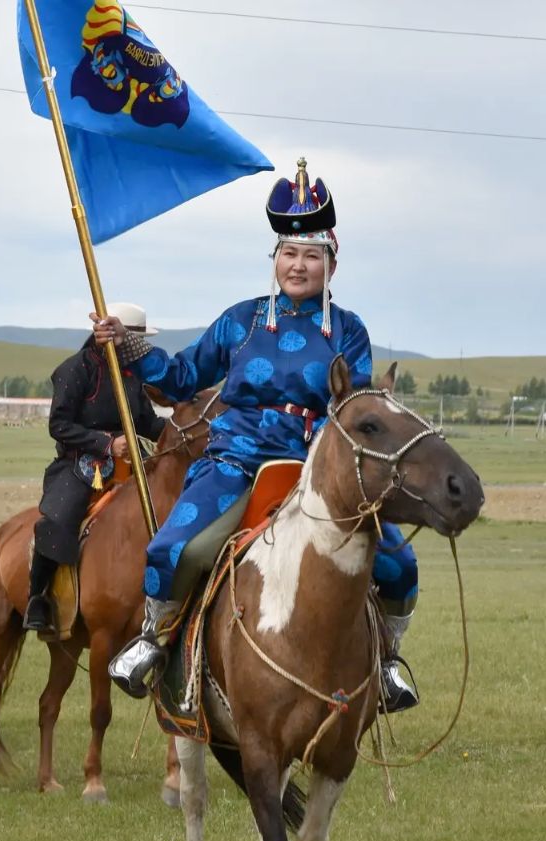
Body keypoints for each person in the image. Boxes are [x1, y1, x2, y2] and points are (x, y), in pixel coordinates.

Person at [99, 159, 422, 708]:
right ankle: (155, 642)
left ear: (331, 263)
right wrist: (129, 347)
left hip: (318, 470)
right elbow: (182, 378)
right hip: (235, 463)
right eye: (289, 254)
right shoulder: (240, 321)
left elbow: (356, 408)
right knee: (173, 548)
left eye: (311, 255)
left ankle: (387, 662)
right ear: (275, 260)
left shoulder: (349, 331)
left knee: (398, 564)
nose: (298, 266)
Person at [23, 303, 166, 634]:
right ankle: (38, 596)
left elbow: (148, 422)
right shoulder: (75, 369)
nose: (141, 348)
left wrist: (185, 431)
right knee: (60, 518)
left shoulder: (133, 376)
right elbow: (58, 425)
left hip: (130, 465)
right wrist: (106, 443)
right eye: (137, 339)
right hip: (79, 465)